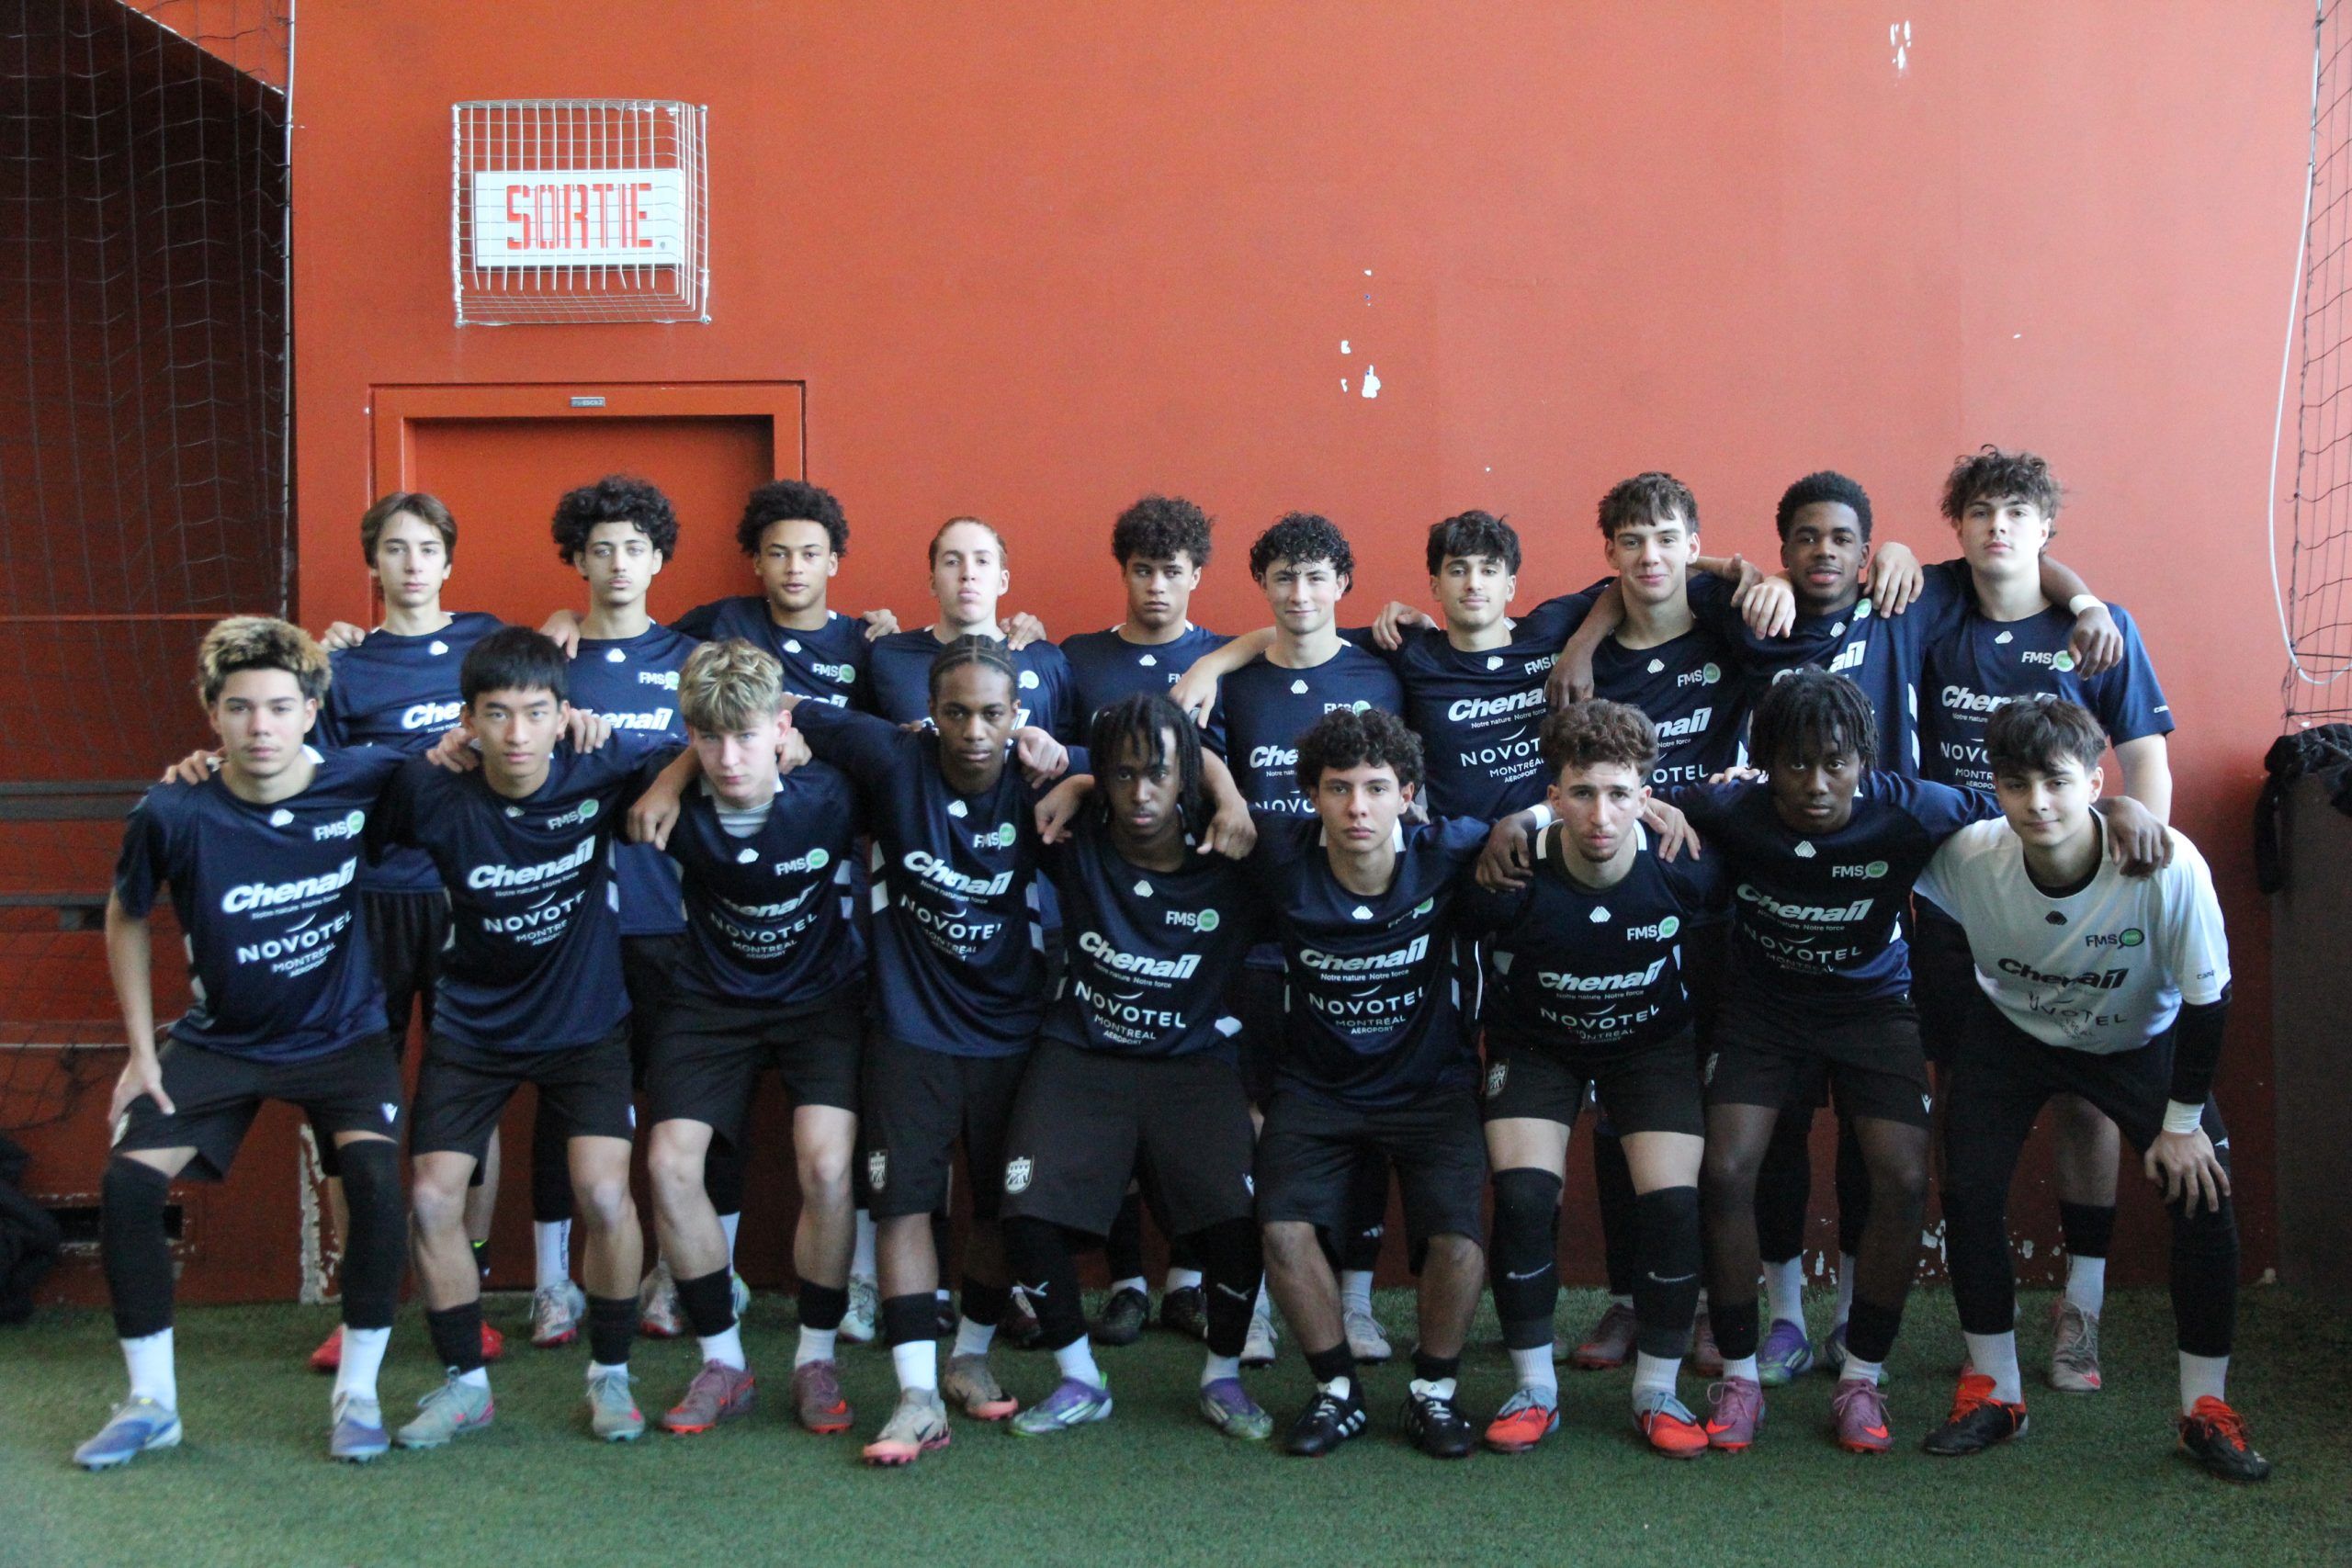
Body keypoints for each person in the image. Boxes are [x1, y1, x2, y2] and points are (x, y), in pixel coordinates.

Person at [75, 619, 410, 1469]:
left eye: (279, 707)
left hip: (342, 1035)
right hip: (221, 1040)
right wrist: (141, 1051)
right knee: (126, 1183)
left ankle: (359, 1393)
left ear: (311, 712)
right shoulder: (174, 808)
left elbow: (475, 762)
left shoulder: (366, 779)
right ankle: (152, 1402)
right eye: (239, 708)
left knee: (376, 1181)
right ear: (212, 714)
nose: (260, 726)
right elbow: (125, 913)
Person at [1916, 698, 2269, 1482]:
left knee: (2204, 1192)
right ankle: (1996, 1393)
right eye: (2015, 784)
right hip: (2014, 1033)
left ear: (2096, 782)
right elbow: (1893, 860)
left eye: (2056, 781)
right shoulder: (1969, 856)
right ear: (1996, 788)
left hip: (2139, 1040)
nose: (2036, 802)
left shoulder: (2167, 866)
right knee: (1967, 1186)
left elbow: (2209, 1002)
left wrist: (2182, 1122)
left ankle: (2206, 1409)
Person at [1911, 446, 2177, 1393]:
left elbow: (2144, 759)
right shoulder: (1934, 610)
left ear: (2046, 527)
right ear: (1957, 525)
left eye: (2018, 512)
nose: (1999, 527)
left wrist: (2135, 855)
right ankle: (1983, 1323)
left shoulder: (2095, 631)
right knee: (1960, 1091)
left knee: (2083, 1096)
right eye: (1981, 511)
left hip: (2076, 902)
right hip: (1959, 904)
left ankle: (2082, 1309)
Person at [376, 629, 653, 1449]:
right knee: (432, 1197)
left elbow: (691, 754)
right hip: (473, 1027)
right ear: (468, 720)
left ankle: (611, 1375)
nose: (518, 733)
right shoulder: (429, 788)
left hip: (586, 1023)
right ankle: (465, 1385)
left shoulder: (600, 763)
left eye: (536, 713)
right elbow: (333, 800)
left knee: (605, 1194)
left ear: (564, 714)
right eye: (497, 714)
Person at [1001, 693, 1271, 1438]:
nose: (1141, 793)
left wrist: (1230, 794)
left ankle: (1222, 1375)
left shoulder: (1236, 851)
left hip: (1193, 1061)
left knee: (1240, 1220)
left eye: (1158, 774)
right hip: (1083, 1052)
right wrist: (1080, 781)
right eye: (1122, 775)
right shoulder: (1074, 831)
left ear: (1187, 777)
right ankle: (1079, 1377)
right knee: (1024, 1213)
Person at [1173, 512, 1407, 1369]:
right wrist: (1230, 793)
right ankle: (1261, 1299)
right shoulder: (1231, 677)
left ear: (1342, 584)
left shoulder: (1381, 671)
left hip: (1358, 935)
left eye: (1315, 577)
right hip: (1255, 933)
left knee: (1365, 1112)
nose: (1300, 594)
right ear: (1262, 586)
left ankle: (1357, 1299)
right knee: (1257, 1117)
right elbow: (1187, 746)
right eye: (1283, 578)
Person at [1462, 701, 1720, 1457]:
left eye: (1618, 793)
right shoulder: (1511, 871)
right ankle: (1534, 1388)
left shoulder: (1684, 863)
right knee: (1523, 1195)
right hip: (1538, 1045)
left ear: (1647, 796)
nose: (1600, 815)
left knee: (1672, 1203)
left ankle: (1657, 1391)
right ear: (1553, 797)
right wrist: (1512, 823)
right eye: (1581, 793)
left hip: (1650, 1046)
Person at [633, 640, 865, 1438]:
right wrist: (671, 775)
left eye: (746, 736)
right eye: (709, 739)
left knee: (827, 1166)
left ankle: (815, 1356)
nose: (729, 759)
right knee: (669, 1165)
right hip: (710, 998)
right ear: (688, 737)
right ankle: (723, 1360)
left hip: (819, 997)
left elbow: (914, 756)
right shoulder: (664, 788)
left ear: (780, 728)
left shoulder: (831, 791)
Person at [1250, 707, 1493, 1459]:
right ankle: (1336, 1389)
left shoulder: (1448, 850)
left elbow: (1527, 825)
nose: (1358, 806)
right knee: (1282, 1229)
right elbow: (1188, 790)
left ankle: (1434, 1392)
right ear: (1312, 796)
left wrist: (1530, 820)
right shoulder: (1279, 854)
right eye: (1339, 787)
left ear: (1406, 795)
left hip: (1431, 1085)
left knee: (1458, 1236)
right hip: (1317, 1087)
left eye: (1376, 787)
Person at [305, 493, 505, 1372]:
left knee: (470, 1090)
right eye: (395, 547)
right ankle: (365, 1302)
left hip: (466, 893)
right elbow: (319, 782)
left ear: (449, 561)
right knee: (357, 1100)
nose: (413, 562)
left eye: (427, 547)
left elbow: (548, 690)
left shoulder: (487, 643)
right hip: (369, 901)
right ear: (373, 563)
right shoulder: (342, 667)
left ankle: (469, 1284)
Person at [539, 475, 720, 1350]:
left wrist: (671, 770)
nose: (618, 563)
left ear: (658, 559)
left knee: (681, 1106)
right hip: (571, 924)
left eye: (635, 548)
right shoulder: (548, 660)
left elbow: (731, 746)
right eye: (601, 548)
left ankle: (675, 1275)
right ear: (577, 559)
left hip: (675, 917)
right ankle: (553, 1283)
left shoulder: (694, 658)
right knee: (567, 1105)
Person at [1057, 495, 1237, 1344]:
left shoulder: (1221, 657)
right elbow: (1059, 753)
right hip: (1100, 900)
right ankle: (1127, 1280)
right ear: (1122, 572)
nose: (1157, 585)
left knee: (1188, 1106)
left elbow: (1222, 757)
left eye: (1173, 570)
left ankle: (1188, 1280)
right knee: (1114, 1098)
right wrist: (1081, 779)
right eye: (1142, 570)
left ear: (1196, 575)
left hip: (1198, 905)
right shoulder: (1078, 657)